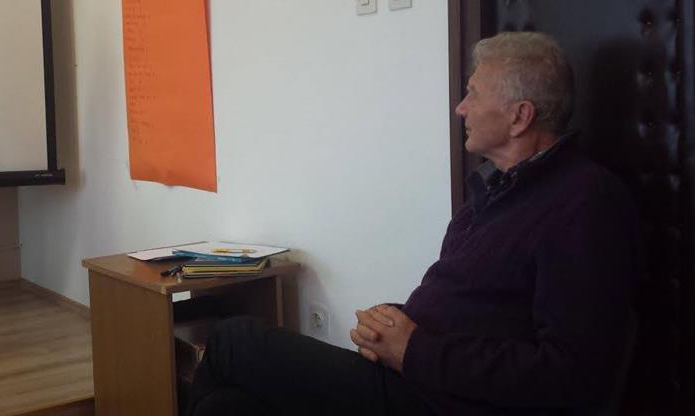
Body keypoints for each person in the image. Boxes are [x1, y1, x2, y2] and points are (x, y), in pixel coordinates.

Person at [187, 32, 636, 415]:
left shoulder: (584, 200)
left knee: (231, 340)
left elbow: (568, 372)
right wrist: (393, 323)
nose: (461, 108)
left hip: (442, 401)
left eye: (474, 94)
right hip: (416, 376)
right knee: (224, 407)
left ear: (520, 116)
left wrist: (413, 349)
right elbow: (469, 307)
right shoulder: (493, 190)